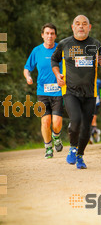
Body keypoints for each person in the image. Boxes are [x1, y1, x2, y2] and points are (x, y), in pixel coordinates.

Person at [51, 15, 101, 169]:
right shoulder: (64, 44)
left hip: (90, 93)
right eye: (78, 24)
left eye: (84, 24)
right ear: (73, 27)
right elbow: (54, 60)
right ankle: (72, 147)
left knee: (86, 128)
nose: (81, 26)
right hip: (70, 91)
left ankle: (80, 156)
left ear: (89, 27)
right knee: (75, 120)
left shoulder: (96, 44)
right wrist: (58, 75)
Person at [24, 23, 63, 159]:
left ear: (55, 35)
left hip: (58, 91)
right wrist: (28, 76)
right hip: (42, 92)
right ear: (42, 35)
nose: (49, 36)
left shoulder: (60, 49)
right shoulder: (36, 51)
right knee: (45, 122)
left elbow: (68, 66)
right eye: (47, 33)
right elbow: (27, 68)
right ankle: (48, 148)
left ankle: (56, 136)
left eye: (52, 33)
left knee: (57, 123)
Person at [90, 78, 101, 143]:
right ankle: (93, 132)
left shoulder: (98, 81)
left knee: (93, 118)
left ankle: (94, 133)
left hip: (96, 101)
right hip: (86, 100)